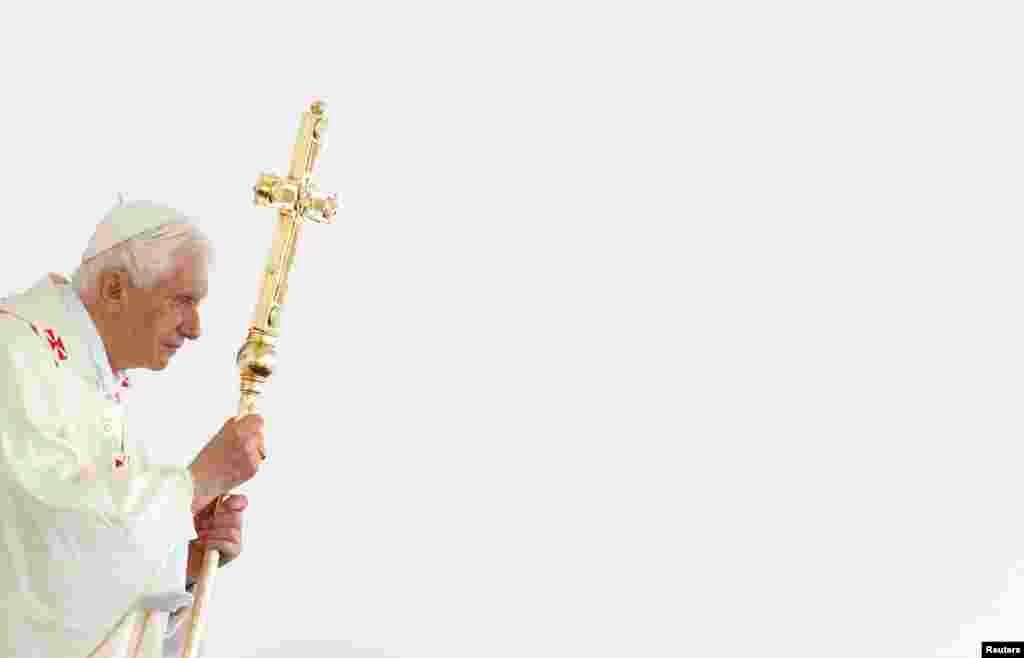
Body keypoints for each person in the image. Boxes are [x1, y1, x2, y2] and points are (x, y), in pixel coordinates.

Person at [0, 198, 266, 657]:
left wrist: (185, 559)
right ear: (115, 288)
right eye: (183, 300)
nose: (197, 328)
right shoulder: (14, 352)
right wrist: (196, 484)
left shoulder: (97, 385)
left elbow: (92, 571)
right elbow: (42, 542)